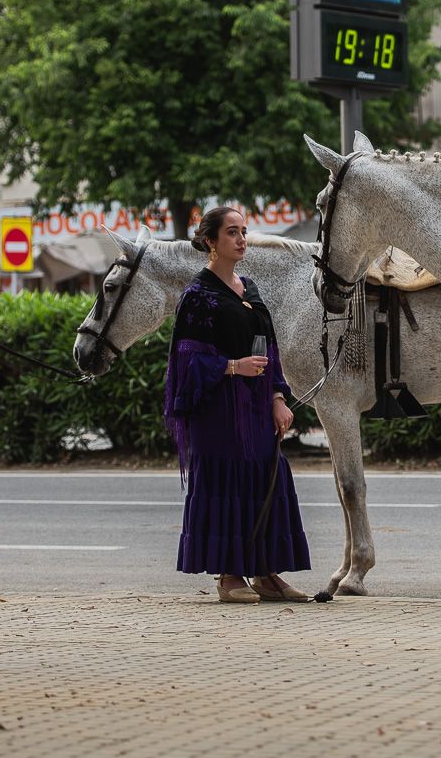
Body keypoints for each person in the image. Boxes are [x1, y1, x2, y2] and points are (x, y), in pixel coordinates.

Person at [164, 207, 311, 603]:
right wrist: (232, 367)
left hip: (258, 407)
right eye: (232, 232)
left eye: (244, 231)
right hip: (219, 411)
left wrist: (279, 397)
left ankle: (266, 572)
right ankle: (229, 576)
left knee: (268, 477)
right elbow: (186, 362)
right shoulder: (197, 296)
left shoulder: (251, 288)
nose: (242, 239)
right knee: (226, 482)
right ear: (211, 241)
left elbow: (271, 350)